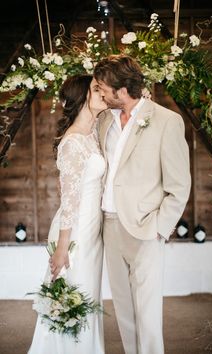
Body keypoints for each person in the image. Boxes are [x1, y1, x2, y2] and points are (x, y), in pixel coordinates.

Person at [94, 54, 191, 354]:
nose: (99, 93)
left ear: (121, 90)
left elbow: (179, 185)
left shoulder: (166, 121)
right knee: (123, 310)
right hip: (109, 226)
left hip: (146, 229)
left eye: (102, 88)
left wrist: (160, 229)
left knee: (148, 314)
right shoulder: (103, 122)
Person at [28, 74, 107, 354]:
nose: (103, 93)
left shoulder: (95, 131)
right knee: (75, 297)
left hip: (93, 231)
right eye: (97, 89)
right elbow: (69, 202)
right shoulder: (72, 142)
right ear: (83, 96)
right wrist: (62, 250)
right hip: (75, 235)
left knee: (90, 296)